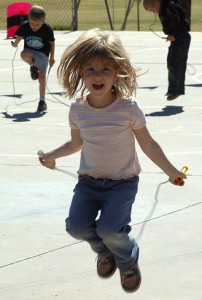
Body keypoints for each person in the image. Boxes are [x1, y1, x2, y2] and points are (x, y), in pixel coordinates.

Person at [38, 30, 187, 292]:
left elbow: (148, 144)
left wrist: (171, 171)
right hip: (89, 181)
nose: (98, 75)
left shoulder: (128, 108)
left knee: (111, 229)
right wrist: (51, 156)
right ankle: (104, 252)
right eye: (91, 69)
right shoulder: (77, 109)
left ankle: (127, 260)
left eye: (105, 69)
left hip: (122, 182)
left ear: (116, 71)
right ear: (82, 72)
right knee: (75, 227)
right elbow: (76, 143)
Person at [143, 0, 191, 101]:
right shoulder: (164, 8)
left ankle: (177, 90)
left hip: (181, 37)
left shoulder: (167, 7)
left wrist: (173, 35)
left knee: (176, 64)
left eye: (153, 10)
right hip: (177, 38)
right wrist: (171, 35)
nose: (154, 12)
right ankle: (173, 89)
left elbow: (176, 21)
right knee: (171, 63)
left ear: (156, 3)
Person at [12, 5, 55, 112]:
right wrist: (15, 44)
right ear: (28, 19)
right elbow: (19, 37)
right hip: (30, 52)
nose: (34, 26)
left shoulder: (47, 29)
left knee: (41, 77)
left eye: (38, 24)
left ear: (43, 21)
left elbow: (52, 44)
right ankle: (33, 67)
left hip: (43, 54)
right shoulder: (25, 26)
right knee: (23, 54)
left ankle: (42, 101)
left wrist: (52, 58)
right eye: (32, 23)